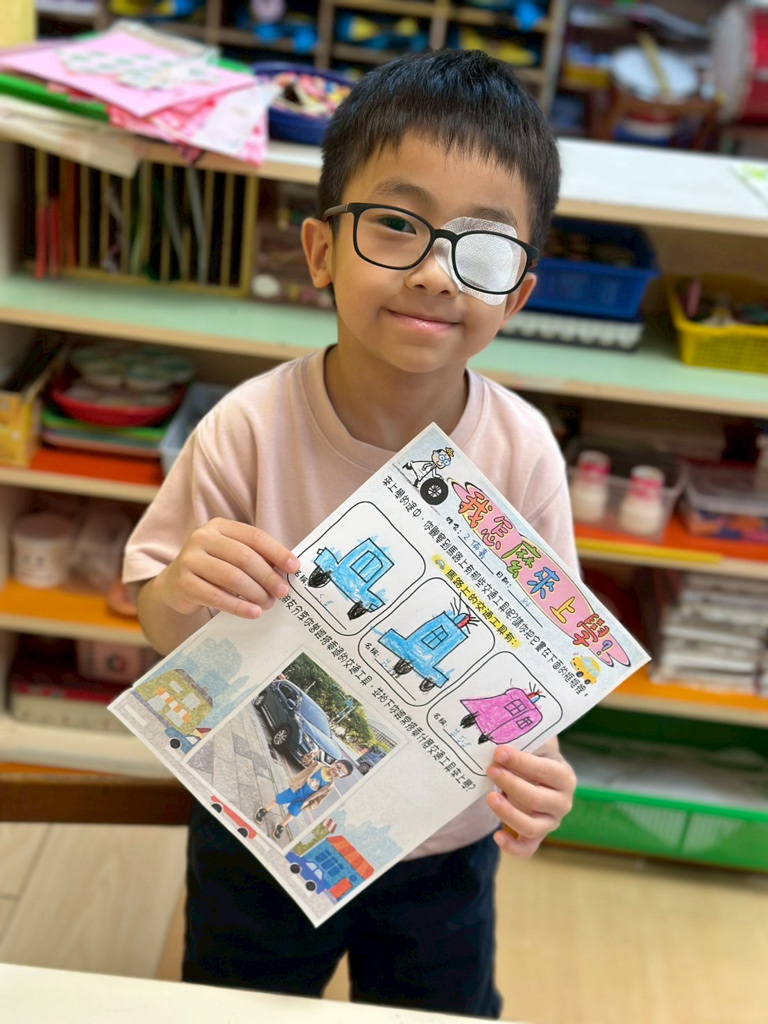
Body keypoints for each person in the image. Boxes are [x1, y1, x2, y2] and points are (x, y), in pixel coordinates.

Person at [123, 48, 578, 1020]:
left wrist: (541, 775)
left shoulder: (524, 453)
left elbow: (540, 672)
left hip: (442, 847)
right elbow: (159, 623)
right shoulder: (246, 427)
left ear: (517, 293)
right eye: (397, 225)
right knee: (238, 1004)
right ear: (322, 250)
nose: (435, 273)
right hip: (260, 824)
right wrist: (183, 587)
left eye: (483, 247)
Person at [255, 756, 354, 840]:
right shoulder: (319, 766)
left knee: (293, 813)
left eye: (341, 772)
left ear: (341, 777)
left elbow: (320, 798)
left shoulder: (330, 786)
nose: (337, 771)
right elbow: (306, 762)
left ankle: (281, 825)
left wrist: (311, 805)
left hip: (304, 801)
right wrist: (309, 756)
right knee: (279, 799)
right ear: (334, 763)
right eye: (338, 767)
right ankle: (264, 809)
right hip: (296, 790)